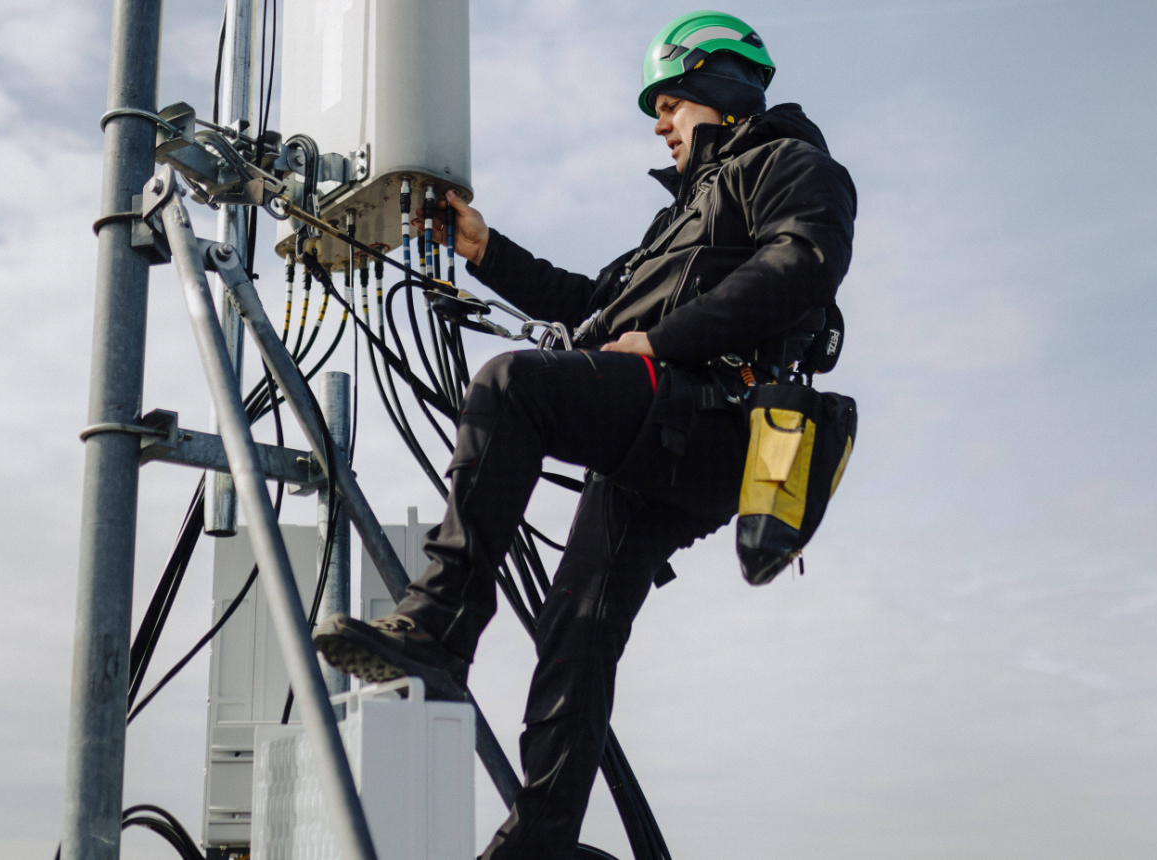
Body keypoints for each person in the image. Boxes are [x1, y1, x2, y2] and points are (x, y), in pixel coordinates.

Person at [315, 10, 856, 858]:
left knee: (513, 385)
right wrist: (485, 249)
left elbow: (801, 267)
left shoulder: (791, 165)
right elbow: (594, 309)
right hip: (657, 434)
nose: (659, 122)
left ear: (720, 86)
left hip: (713, 415)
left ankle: (438, 627)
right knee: (577, 628)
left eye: (671, 103)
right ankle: (541, 842)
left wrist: (665, 341)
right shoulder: (675, 225)